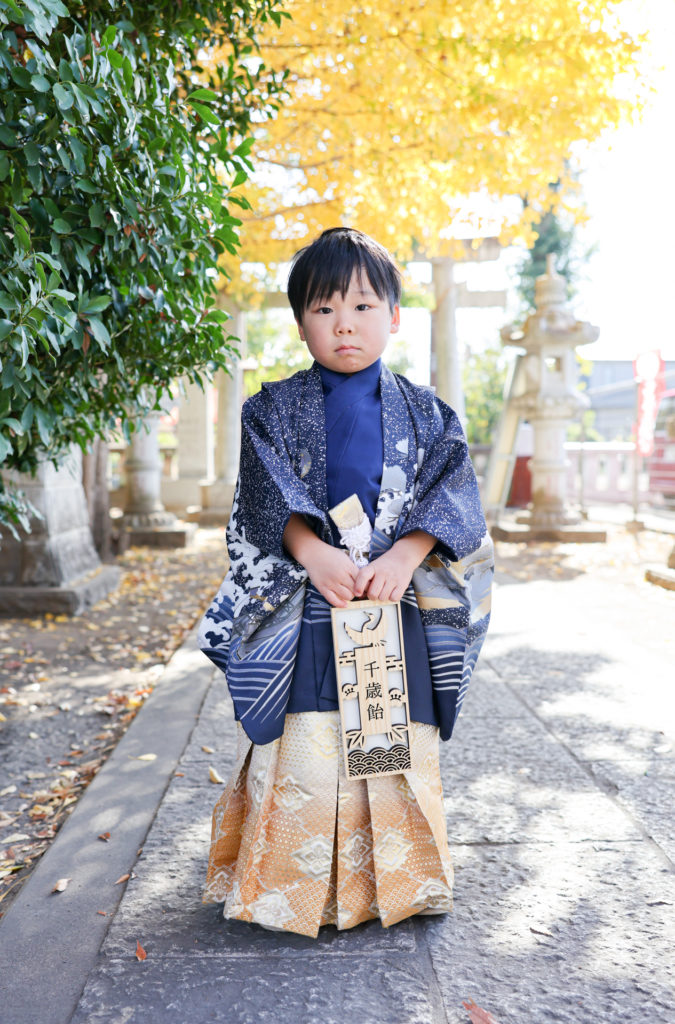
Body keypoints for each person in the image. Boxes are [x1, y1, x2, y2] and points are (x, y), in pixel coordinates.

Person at [198, 227, 494, 938]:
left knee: (388, 744)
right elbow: (261, 500)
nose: (344, 324)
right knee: (306, 740)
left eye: (363, 307)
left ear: (394, 316)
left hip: (392, 607)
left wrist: (403, 556)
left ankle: (393, 885)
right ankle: (288, 892)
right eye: (324, 309)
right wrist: (311, 552)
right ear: (300, 321)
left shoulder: (429, 414)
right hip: (308, 600)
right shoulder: (269, 409)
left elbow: (454, 498)